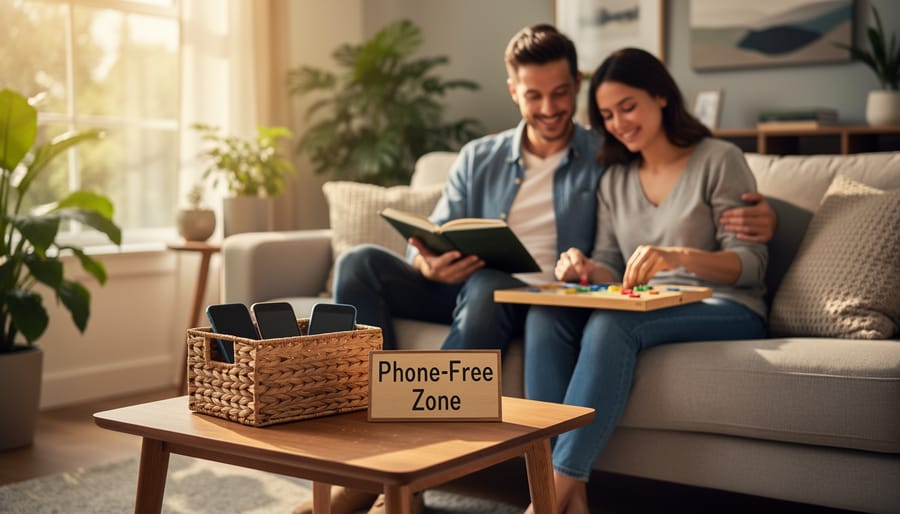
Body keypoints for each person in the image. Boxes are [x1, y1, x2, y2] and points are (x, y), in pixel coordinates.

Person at [307, 25, 774, 514]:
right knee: (358, 262)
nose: (550, 109)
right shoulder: (480, 157)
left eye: (561, 94)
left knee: (501, 291)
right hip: (463, 289)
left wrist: (765, 217)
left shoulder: (605, 153)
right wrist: (427, 262)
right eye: (534, 95)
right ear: (514, 91)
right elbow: (430, 235)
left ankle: (415, 473)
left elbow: (711, 221)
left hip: (531, 296)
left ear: (576, 85)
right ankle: (365, 462)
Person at [522, 47, 769, 514]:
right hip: (650, 304)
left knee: (613, 324)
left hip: (726, 304)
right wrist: (584, 269)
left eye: (628, 107)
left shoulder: (719, 158)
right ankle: (557, 487)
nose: (618, 123)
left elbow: (751, 264)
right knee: (545, 313)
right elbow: (612, 263)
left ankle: (550, 497)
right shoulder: (615, 177)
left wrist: (678, 257)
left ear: (661, 97)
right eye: (607, 114)